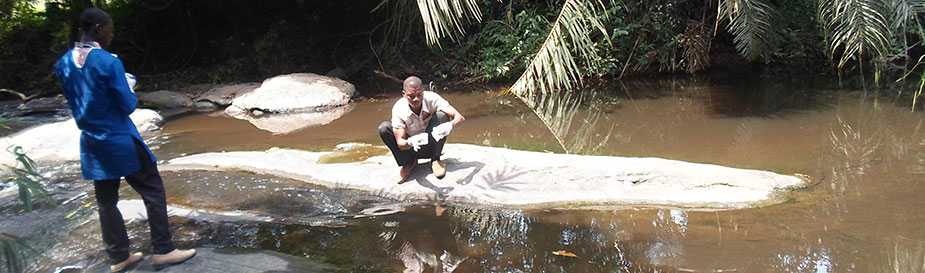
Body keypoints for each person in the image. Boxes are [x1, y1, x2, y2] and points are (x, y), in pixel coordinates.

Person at [53, 8, 195, 272]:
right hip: (120, 139)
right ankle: (163, 251)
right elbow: (128, 104)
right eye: (109, 29)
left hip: (93, 142)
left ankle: (119, 258)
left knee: (106, 201)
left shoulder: (62, 64)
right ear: (98, 28)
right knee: (153, 189)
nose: (112, 34)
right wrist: (129, 87)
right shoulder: (108, 61)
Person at [378, 76, 465, 183]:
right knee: (384, 128)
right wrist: (410, 141)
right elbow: (400, 143)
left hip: (432, 143)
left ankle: (435, 159)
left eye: (419, 95)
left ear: (423, 92)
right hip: (411, 147)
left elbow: (459, 117)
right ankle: (409, 162)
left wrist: (450, 125)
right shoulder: (399, 108)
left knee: (442, 116)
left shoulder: (432, 98)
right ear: (403, 94)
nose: (416, 99)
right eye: (411, 96)